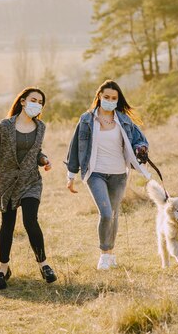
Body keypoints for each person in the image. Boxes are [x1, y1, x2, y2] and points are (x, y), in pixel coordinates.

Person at [0, 87, 57, 290]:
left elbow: (35, 153)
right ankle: (3, 268)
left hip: (31, 182)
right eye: (33, 100)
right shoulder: (4, 126)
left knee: (30, 220)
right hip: (8, 184)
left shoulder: (41, 127)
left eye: (40, 102)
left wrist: (43, 159)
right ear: (23, 101)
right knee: (7, 226)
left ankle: (43, 264)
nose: (37, 104)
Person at [65, 80, 151, 270]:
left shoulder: (124, 120)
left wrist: (140, 149)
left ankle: (111, 254)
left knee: (113, 214)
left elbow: (140, 140)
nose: (110, 101)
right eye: (106, 97)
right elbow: (74, 148)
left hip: (119, 174)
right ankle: (104, 254)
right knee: (105, 213)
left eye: (114, 98)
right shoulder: (87, 120)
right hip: (95, 173)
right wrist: (71, 176)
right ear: (99, 97)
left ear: (117, 100)